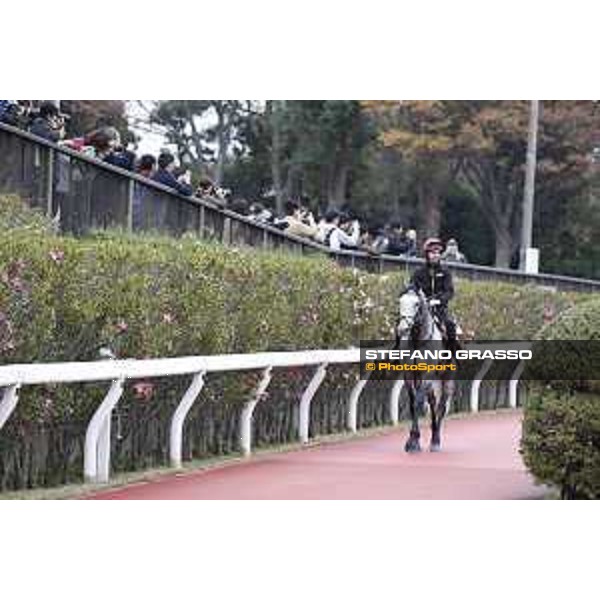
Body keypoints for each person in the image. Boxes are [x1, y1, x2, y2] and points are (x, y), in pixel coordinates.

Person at [409, 237, 458, 351]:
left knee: (450, 324)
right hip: (421, 309)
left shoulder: (445, 272)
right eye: (432, 252)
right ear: (427, 254)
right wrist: (417, 298)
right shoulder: (419, 272)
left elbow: (449, 291)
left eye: (438, 253)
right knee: (407, 325)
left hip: (439, 309)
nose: (435, 255)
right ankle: (399, 351)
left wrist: (440, 300)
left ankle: (453, 354)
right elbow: (412, 287)